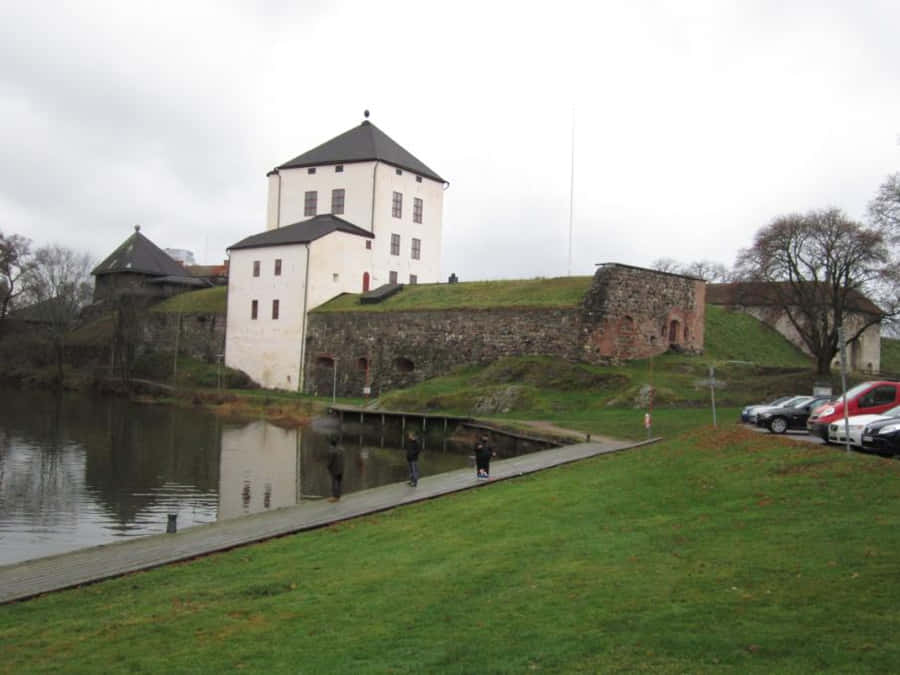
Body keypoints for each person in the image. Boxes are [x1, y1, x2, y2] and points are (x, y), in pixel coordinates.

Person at [326, 437, 345, 502]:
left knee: (334, 483)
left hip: (335, 470)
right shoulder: (342, 450)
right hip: (341, 469)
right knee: (339, 483)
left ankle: (334, 497)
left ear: (331, 444)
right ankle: (338, 496)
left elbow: (330, 461)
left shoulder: (332, 451)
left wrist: (328, 467)